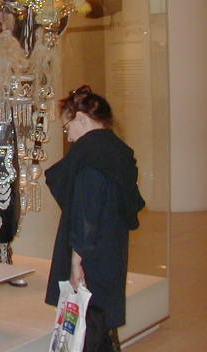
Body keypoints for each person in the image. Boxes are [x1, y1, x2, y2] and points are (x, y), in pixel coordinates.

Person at [45, 85, 145, 352]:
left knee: (89, 322)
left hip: (92, 254)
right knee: (100, 319)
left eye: (67, 128)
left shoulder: (89, 158)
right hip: (112, 249)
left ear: (81, 119)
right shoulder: (117, 152)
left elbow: (86, 214)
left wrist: (76, 262)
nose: (69, 136)